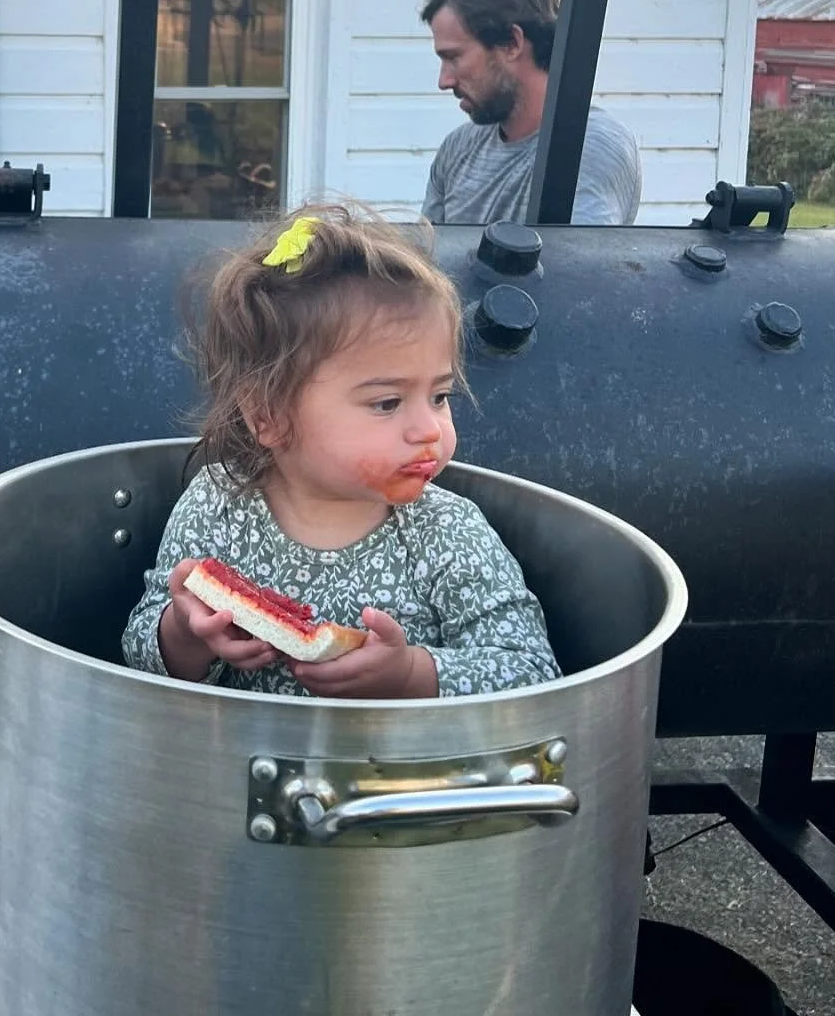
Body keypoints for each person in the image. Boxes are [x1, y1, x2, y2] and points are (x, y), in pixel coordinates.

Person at [121, 205, 560, 699]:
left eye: (440, 396)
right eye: (387, 403)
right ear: (268, 416)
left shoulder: (448, 530)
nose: (429, 430)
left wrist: (411, 675)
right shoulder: (217, 503)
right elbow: (140, 657)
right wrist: (186, 635)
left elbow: (532, 672)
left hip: (397, 775)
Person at [419, 0, 642, 225]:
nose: (444, 81)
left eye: (453, 57)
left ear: (513, 43)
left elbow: (576, 265)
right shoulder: (457, 149)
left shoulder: (590, 147)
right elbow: (424, 263)